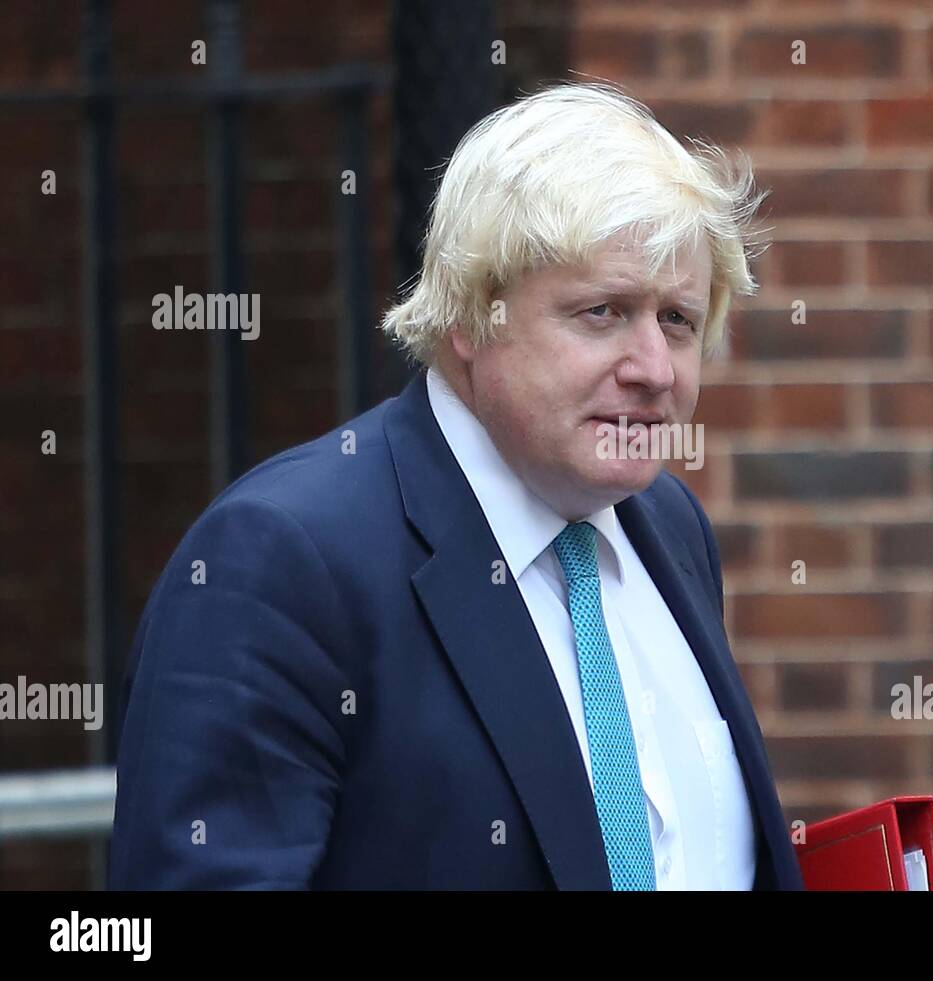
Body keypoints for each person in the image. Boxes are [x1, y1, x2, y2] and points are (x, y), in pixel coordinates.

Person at [109, 81, 803, 890]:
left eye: (677, 320)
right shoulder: (278, 563)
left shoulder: (666, 524)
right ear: (471, 319)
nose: (653, 369)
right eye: (602, 312)